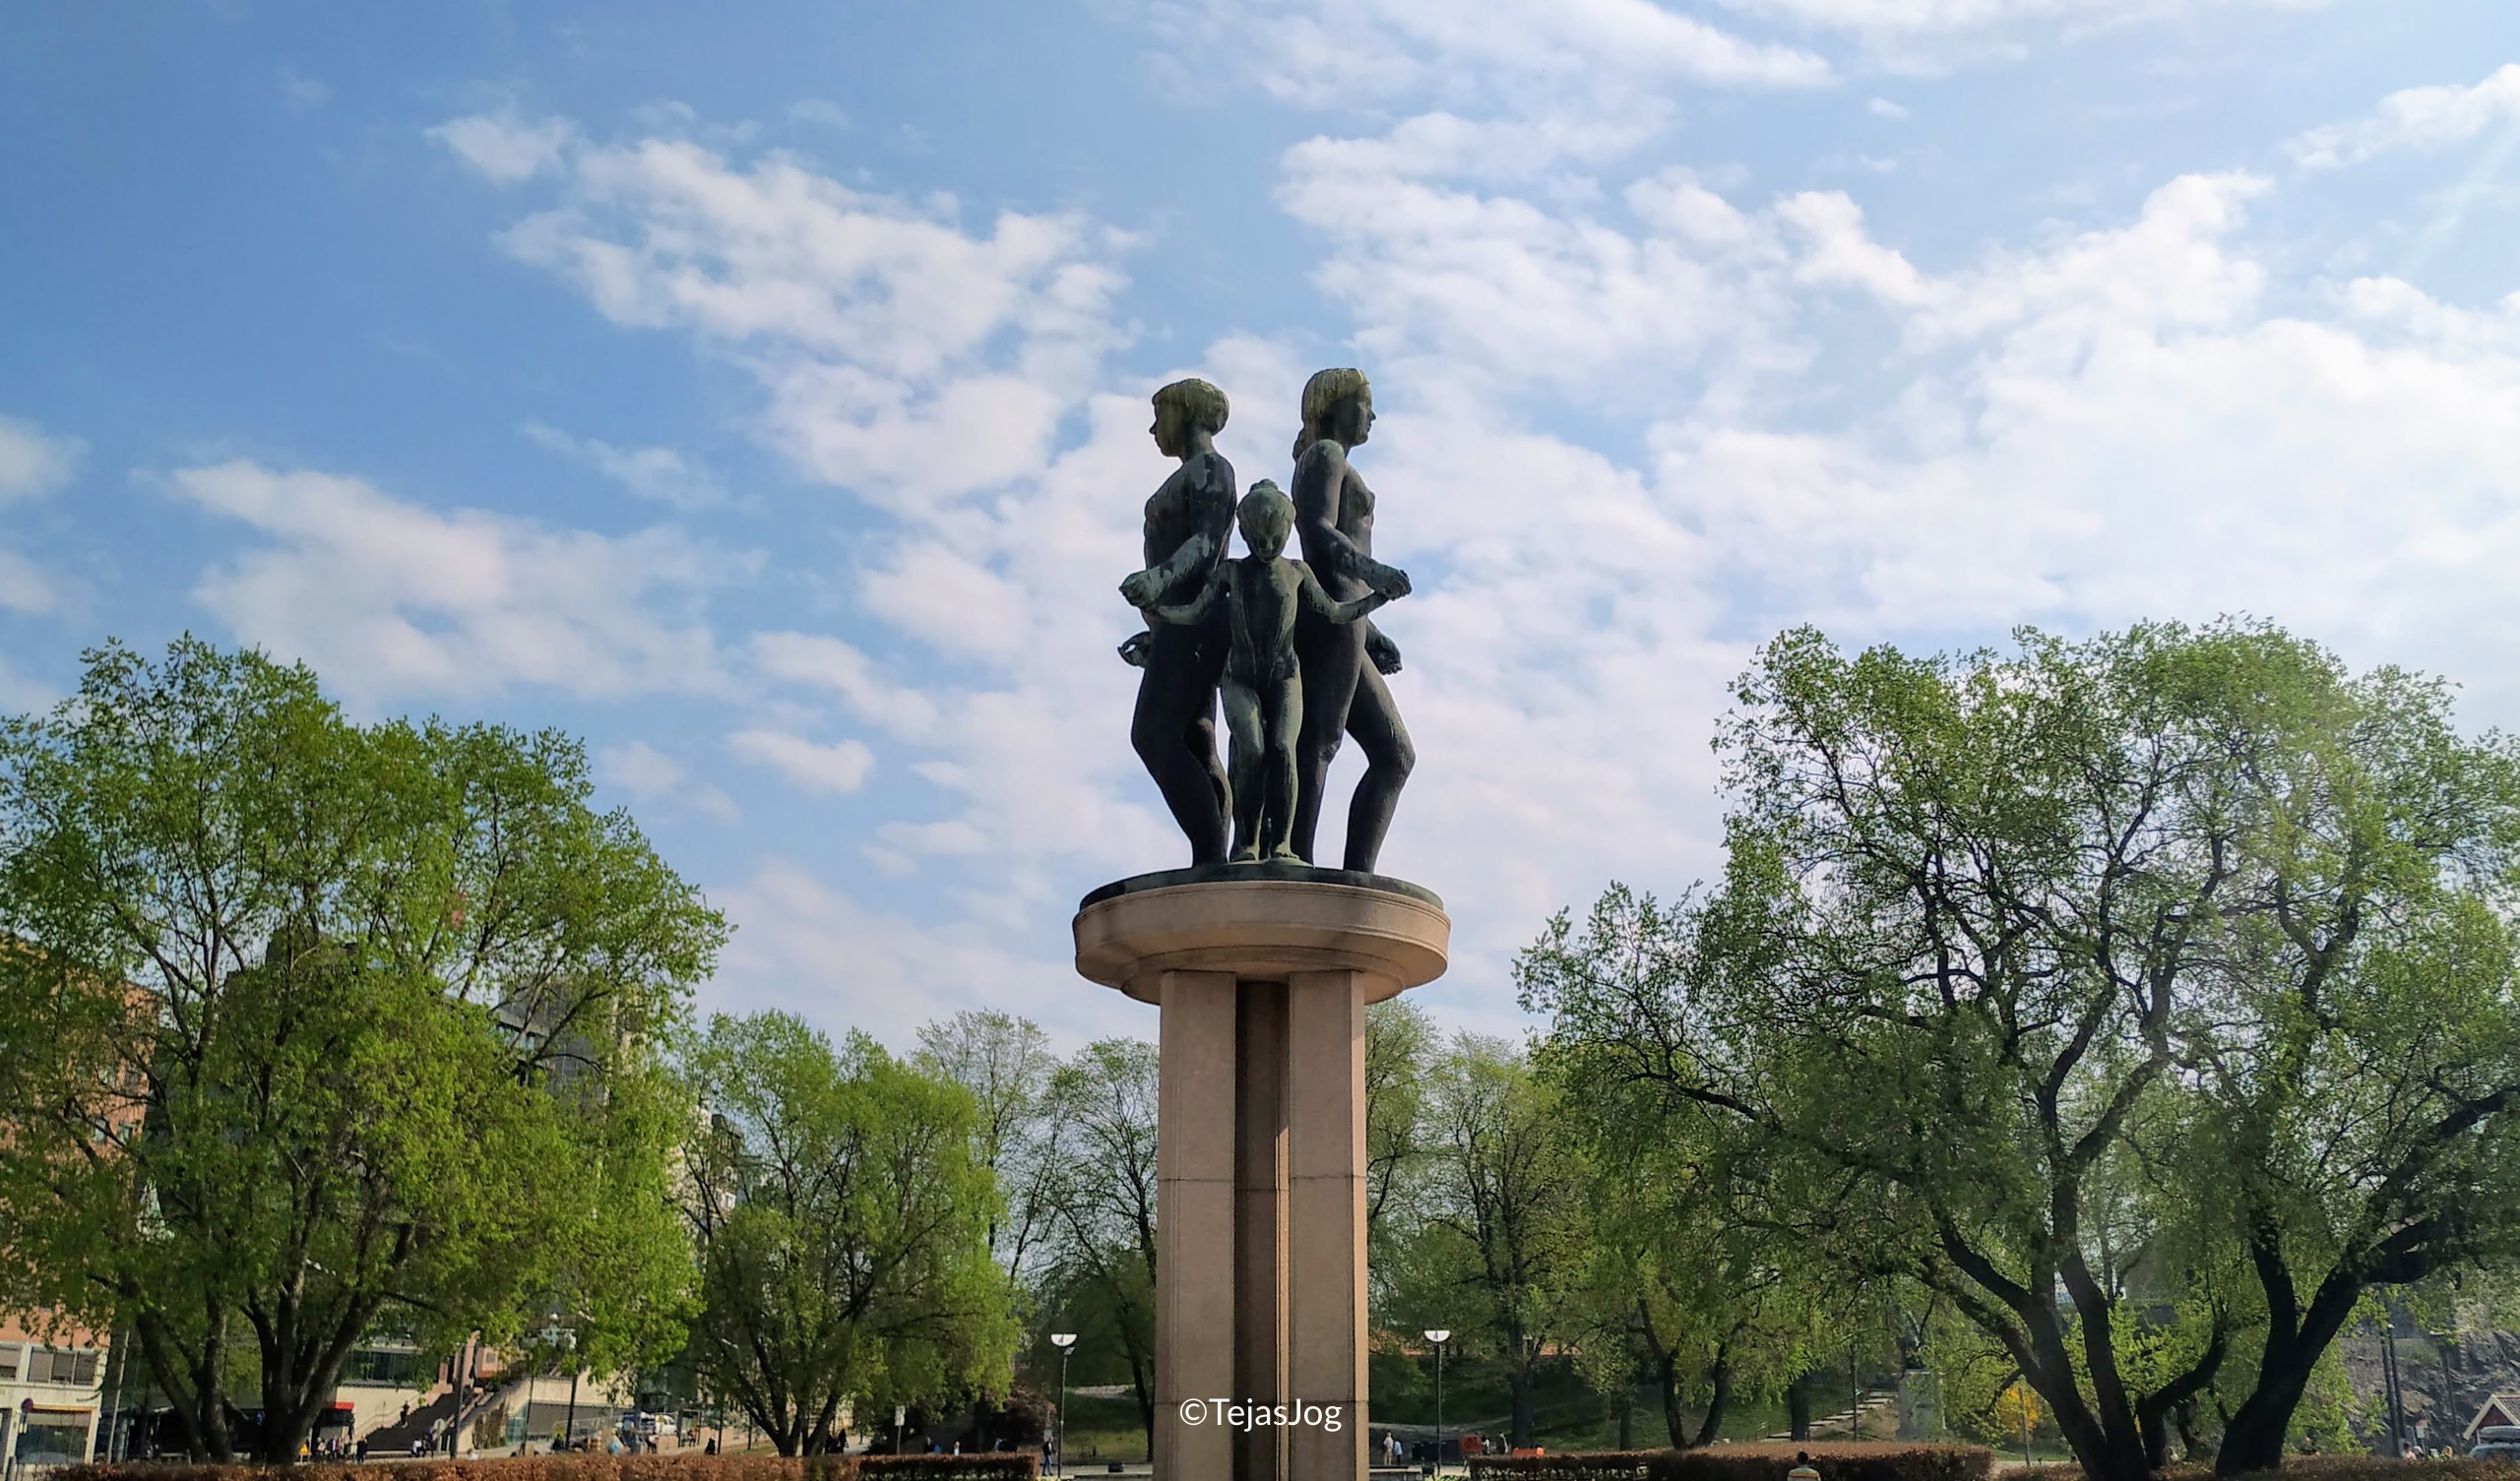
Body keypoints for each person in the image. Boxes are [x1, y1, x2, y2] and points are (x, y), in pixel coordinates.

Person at [1135, 481, 1405, 863]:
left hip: (1284, 678)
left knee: (1282, 749)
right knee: (1251, 749)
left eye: (1275, 531)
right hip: (1240, 678)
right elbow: (1195, 613)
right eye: (1259, 531)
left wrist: (1376, 599)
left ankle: (1282, 844)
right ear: (1244, 530)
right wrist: (1159, 616)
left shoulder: (1296, 573)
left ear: (1287, 529)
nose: (1267, 540)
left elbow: (1334, 612)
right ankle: (1247, 842)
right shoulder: (1231, 573)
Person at [1286, 368, 1417, 872]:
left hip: (1351, 619)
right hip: (1332, 615)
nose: (1373, 415)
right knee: (1320, 740)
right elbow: (1316, 531)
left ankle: (1354, 878)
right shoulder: (1324, 456)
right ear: (1336, 406)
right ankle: (1297, 860)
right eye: (1366, 403)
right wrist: (1374, 571)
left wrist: (1373, 631)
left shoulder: (1332, 459)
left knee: (1394, 756)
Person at [1117, 377, 1238, 865]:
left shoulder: (1212, 469)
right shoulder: (1191, 473)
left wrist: (1158, 580)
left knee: (1152, 734)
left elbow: (1207, 545)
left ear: (1186, 412)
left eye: (1159, 414)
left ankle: (1211, 856)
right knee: (1196, 738)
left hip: (1197, 622)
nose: (1152, 429)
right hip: (1178, 623)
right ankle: (1210, 856)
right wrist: (1154, 627)